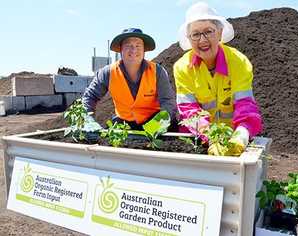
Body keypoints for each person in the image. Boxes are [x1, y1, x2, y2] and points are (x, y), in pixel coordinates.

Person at [174, 2, 262, 154]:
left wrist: (241, 137)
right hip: (198, 139)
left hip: (233, 138)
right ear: (189, 38)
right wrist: (211, 137)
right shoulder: (182, 67)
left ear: (220, 33)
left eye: (208, 31)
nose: (202, 40)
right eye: (195, 34)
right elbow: (189, 111)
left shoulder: (238, 62)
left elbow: (245, 106)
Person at [82, 28, 177, 130]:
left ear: (144, 49)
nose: (133, 50)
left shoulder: (157, 71)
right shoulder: (108, 73)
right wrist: (88, 119)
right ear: (120, 49)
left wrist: (157, 124)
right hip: (124, 125)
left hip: (154, 121)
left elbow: (168, 102)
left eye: (138, 45)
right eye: (128, 46)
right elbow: (90, 96)